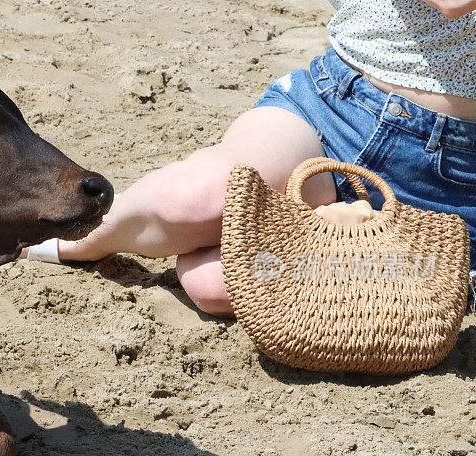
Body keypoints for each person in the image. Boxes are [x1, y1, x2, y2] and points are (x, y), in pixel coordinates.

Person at [24, 0, 476, 317]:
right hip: (338, 107)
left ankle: (325, 236)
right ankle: (88, 239)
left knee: (217, 285)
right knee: (192, 200)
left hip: (460, 179)